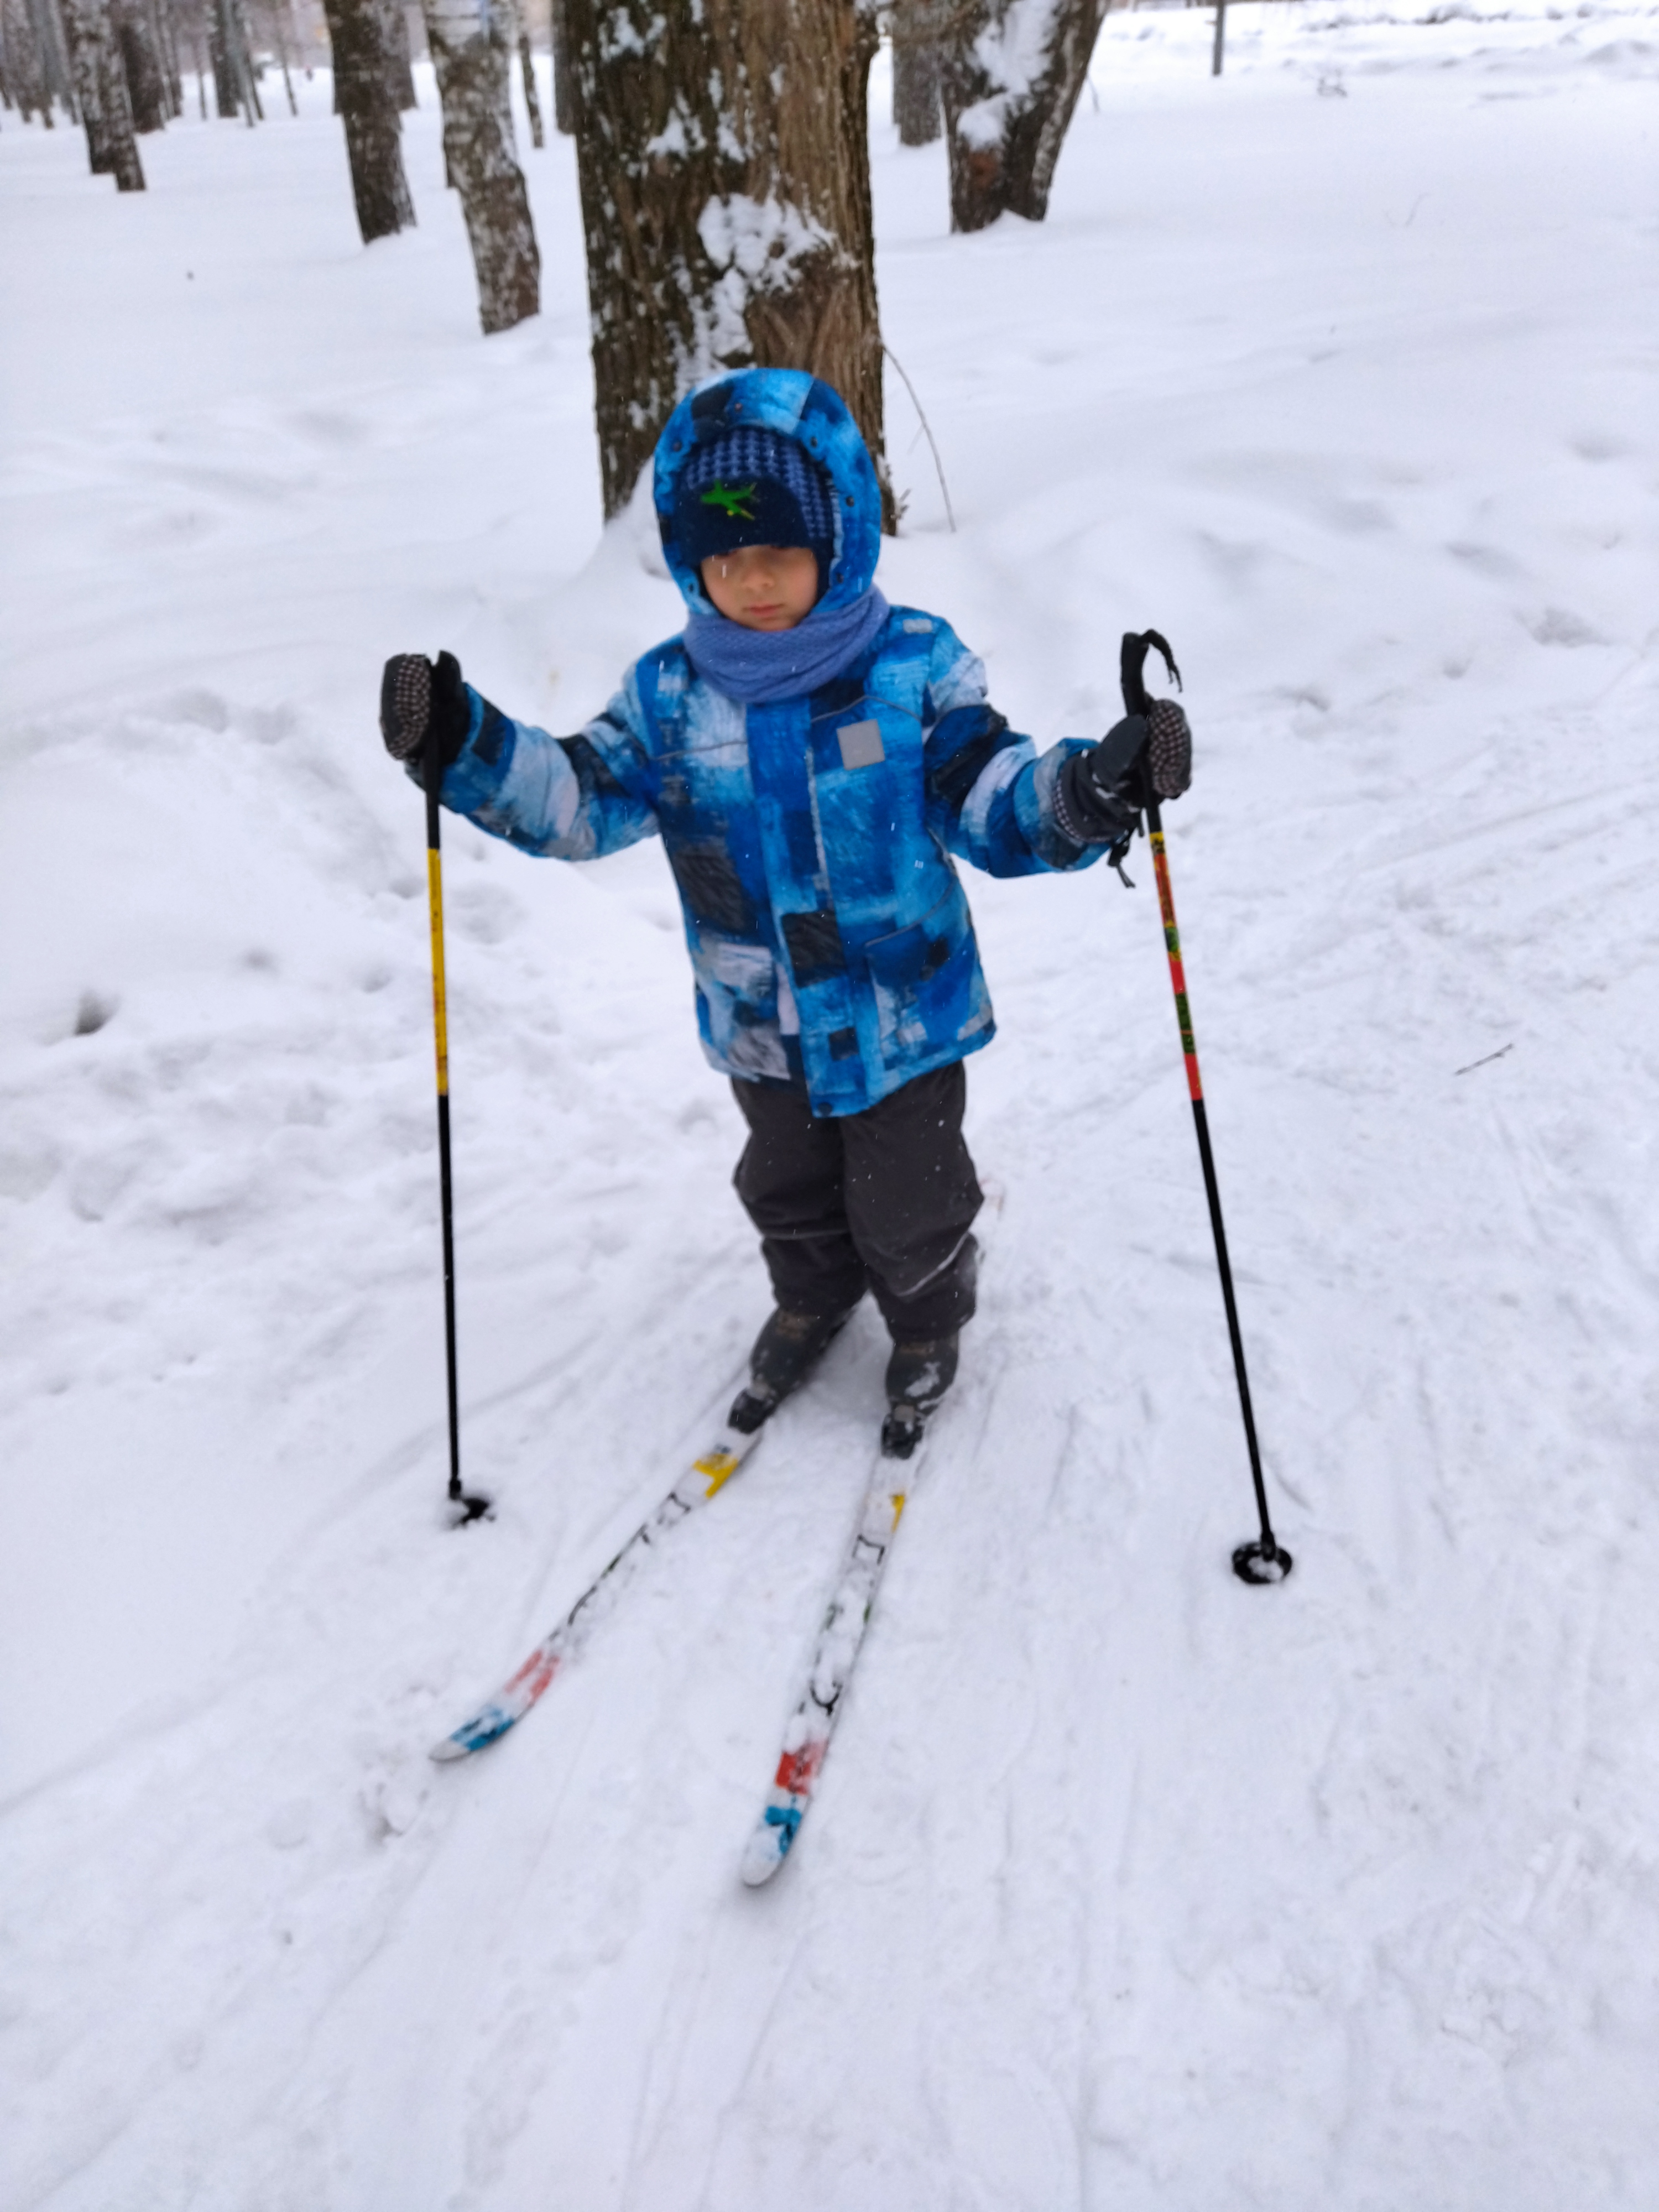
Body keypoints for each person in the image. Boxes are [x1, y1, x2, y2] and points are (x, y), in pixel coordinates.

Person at [379, 368, 1190, 1457]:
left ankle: (929, 1317)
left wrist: (1090, 790)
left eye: (778, 550)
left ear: (841, 536)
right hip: (758, 1019)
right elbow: (576, 800)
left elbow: (990, 795)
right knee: (788, 1187)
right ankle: (814, 1296)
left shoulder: (911, 671)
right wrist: (463, 744)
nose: (750, 579)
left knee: (910, 1203)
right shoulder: (669, 697)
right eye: (722, 556)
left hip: (900, 1015)